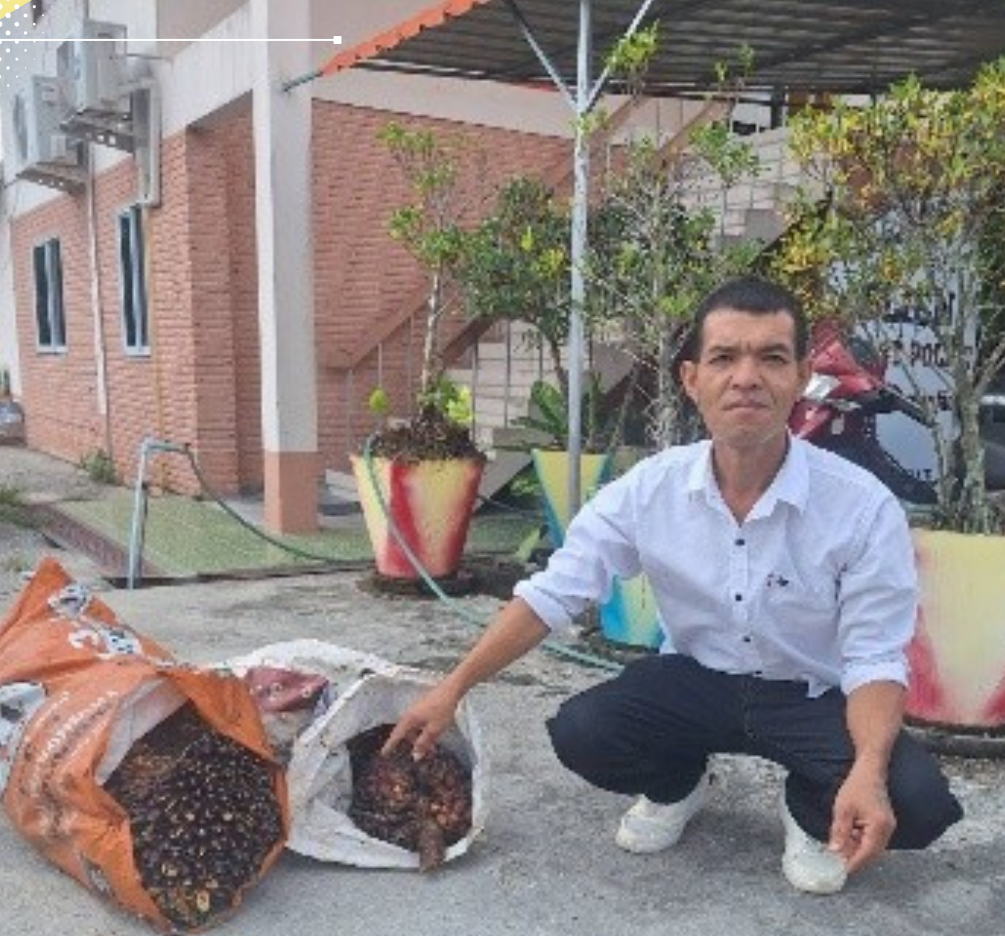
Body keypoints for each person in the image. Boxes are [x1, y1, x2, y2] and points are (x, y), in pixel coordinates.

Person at [383, 277, 963, 894]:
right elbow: (554, 594)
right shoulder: (649, 489)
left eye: (771, 358)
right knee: (584, 733)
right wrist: (452, 688)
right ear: (692, 379)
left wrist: (867, 768)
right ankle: (678, 783)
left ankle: (811, 807)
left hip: (813, 696)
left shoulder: (861, 507)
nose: (746, 378)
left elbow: (875, 655)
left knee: (915, 802)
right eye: (724, 357)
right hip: (696, 683)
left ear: (801, 378)